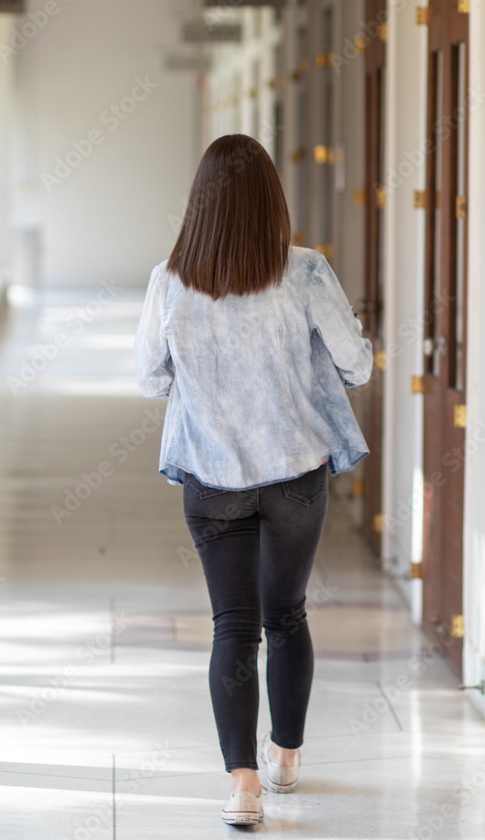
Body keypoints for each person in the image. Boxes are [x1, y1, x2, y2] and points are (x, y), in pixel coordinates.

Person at [133, 133, 373, 825]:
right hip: (295, 472)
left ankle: (242, 786)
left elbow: (148, 378)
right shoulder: (306, 273)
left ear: (198, 206)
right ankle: (285, 757)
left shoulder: (168, 281)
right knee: (286, 613)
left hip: (210, 476)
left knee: (232, 627)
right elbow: (355, 366)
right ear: (272, 201)